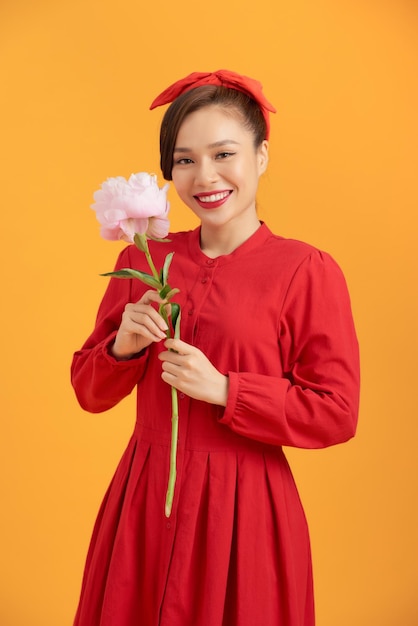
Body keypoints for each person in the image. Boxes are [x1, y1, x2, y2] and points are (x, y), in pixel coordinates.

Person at [71, 69, 360, 626]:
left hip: (247, 508)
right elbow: (88, 390)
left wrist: (229, 390)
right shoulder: (144, 259)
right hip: (145, 499)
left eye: (224, 153)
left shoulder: (306, 271)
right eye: (184, 160)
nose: (205, 176)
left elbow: (337, 412)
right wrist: (124, 349)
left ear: (262, 156)